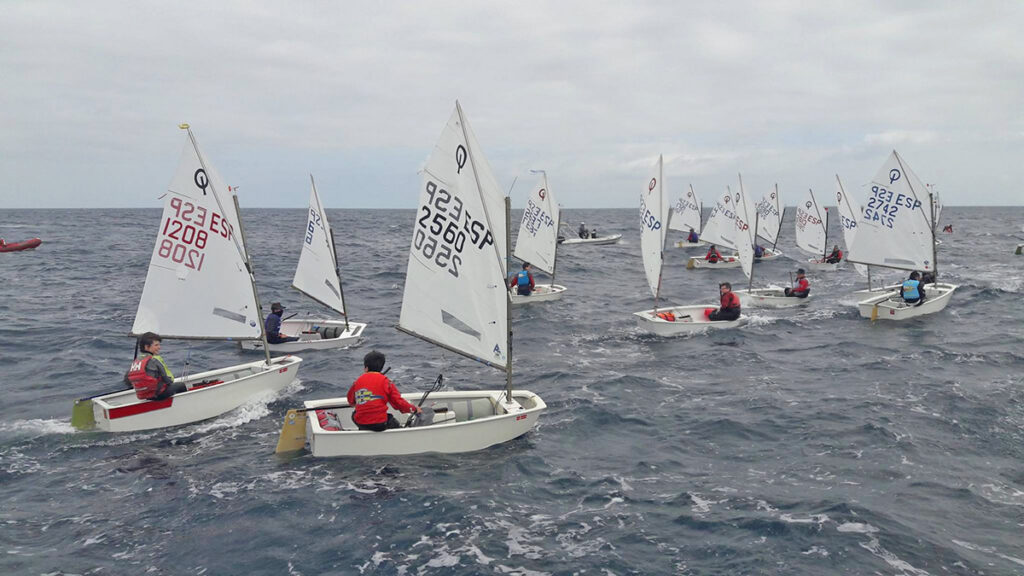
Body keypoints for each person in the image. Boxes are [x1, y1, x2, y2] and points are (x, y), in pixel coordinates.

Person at [346, 350, 421, 431]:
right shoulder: (387, 382)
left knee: (355, 415)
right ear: (381, 367)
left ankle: (363, 432)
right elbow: (398, 403)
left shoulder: (357, 382)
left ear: (366, 368)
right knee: (391, 420)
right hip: (379, 425)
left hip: (361, 422)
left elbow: (351, 402)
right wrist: (415, 409)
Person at [124, 332, 187, 401]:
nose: (159, 347)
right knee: (181, 385)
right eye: (156, 345)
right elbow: (167, 380)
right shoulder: (153, 360)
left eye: (159, 345)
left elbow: (127, 380)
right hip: (158, 395)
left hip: (146, 396)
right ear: (146, 347)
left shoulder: (135, 362)